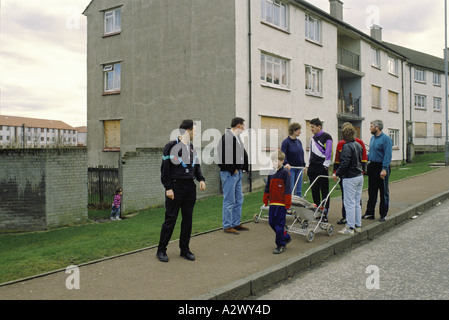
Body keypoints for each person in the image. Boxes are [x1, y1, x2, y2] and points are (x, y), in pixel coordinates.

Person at [157, 120, 206, 262]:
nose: (195, 134)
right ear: (187, 131)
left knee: (187, 220)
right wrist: (168, 188)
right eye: (194, 131)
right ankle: (161, 250)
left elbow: (196, 166)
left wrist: (201, 179)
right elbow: (165, 169)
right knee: (170, 219)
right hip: (175, 187)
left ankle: (184, 250)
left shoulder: (191, 148)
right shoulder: (170, 147)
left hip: (189, 188)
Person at [218, 117, 249, 235]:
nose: (244, 128)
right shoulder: (226, 138)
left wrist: (243, 168)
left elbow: (241, 154)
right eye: (243, 126)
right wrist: (233, 169)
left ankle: (236, 223)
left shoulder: (237, 138)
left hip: (238, 173)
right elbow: (222, 157)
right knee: (229, 200)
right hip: (229, 173)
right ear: (238, 126)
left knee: (239, 199)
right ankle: (227, 226)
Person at [333, 122, 367, 225]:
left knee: (349, 203)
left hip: (350, 177)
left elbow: (345, 163)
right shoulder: (358, 144)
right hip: (358, 175)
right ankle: (357, 224)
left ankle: (350, 227)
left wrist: (336, 173)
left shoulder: (346, 146)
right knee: (356, 203)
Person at [363, 120, 393, 222]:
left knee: (383, 192)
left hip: (382, 167)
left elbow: (388, 155)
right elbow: (372, 153)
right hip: (372, 167)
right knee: (372, 191)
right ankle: (370, 212)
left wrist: (384, 169)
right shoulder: (372, 139)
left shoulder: (386, 139)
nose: (370, 128)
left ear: (377, 127)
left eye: (371, 126)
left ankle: (383, 214)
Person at [263, 151, 292, 254]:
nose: (275, 163)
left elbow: (288, 188)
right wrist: (266, 198)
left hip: (281, 204)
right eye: (273, 161)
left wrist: (287, 203)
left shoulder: (285, 173)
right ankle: (286, 236)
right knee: (271, 222)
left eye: (277, 161)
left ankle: (280, 244)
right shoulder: (271, 173)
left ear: (282, 161)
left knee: (279, 225)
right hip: (273, 203)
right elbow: (267, 187)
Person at [306, 118, 333, 221]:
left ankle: (325, 212)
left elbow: (329, 152)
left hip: (322, 168)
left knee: (324, 191)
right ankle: (317, 210)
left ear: (319, 127)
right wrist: (308, 165)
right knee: (314, 190)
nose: (311, 129)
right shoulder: (312, 138)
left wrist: (325, 166)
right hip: (312, 168)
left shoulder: (327, 137)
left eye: (313, 127)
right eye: (310, 127)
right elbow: (310, 153)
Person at [281, 122, 306, 197]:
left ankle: (298, 206)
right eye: (298, 130)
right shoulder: (286, 142)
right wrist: (286, 163)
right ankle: (289, 205)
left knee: (298, 189)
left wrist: (304, 165)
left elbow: (301, 154)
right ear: (293, 131)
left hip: (299, 168)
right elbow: (283, 154)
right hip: (291, 168)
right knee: (290, 188)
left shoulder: (298, 142)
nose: (300, 132)